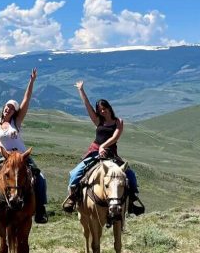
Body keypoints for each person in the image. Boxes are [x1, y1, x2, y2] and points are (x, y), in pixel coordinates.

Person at [0, 69, 49, 224]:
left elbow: (26, 100)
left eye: (12, 108)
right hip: (3, 155)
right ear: (3, 107)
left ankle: (40, 209)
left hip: (21, 155)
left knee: (40, 178)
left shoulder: (16, 122)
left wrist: (32, 81)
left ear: (15, 112)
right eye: (7, 106)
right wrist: (2, 151)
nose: (8, 109)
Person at [61, 81, 144, 215]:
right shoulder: (98, 121)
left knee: (130, 174)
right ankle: (72, 197)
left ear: (109, 108)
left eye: (104, 109)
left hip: (111, 153)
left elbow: (115, 137)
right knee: (76, 173)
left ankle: (132, 200)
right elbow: (87, 107)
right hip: (94, 152)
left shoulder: (118, 122)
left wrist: (104, 146)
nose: (102, 111)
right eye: (100, 110)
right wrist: (81, 90)